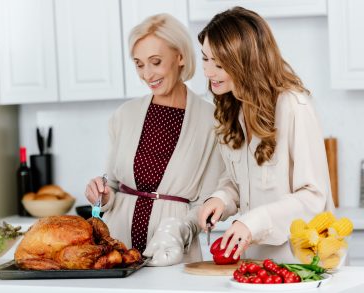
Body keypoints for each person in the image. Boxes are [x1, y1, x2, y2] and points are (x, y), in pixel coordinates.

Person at [197, 7, 334, 263]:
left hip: (299, 262)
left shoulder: (293, 105)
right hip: (255, 263)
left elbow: (313, 196)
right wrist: (221, 199)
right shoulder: (230, 108)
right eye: (205, 58)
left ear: (245, 61)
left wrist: (254, 222)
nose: (208, 72)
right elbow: (238, 180)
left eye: (219, 63)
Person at [85, 13, 224, 266]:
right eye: (139, 64)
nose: (147, 74)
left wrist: (178, 230)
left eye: (156, 62)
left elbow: (208, 202)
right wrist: (102, 195)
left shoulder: (212, 121)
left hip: (174, 253)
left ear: (180, 56)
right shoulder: (124, 115)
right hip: (118, 250)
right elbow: (112, 186)